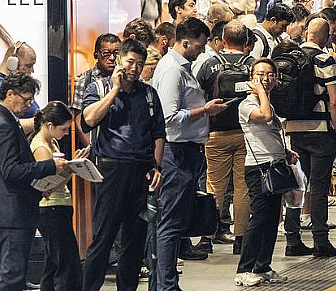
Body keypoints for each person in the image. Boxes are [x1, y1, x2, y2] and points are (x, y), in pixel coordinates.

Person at [81, 39, 164, 291]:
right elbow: (89, 120)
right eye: (130, 62)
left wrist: (157, 167)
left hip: (142, 171)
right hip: (111, 169)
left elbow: (158, 133)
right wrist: (114, 90)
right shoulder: (98, 86)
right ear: (119, 60)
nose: (135, 69)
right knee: (104, 237)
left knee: (135, 238)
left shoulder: (148, 93)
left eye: (140, 64)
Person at [153, 18, 228, 291]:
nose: (203, 49)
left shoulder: (179, 67)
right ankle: (166, 285)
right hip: (177, 153)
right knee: (171, 223)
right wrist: (205, 111)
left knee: (175, 222)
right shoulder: (173, 70)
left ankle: (165, 282)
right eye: (201, 43)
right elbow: (169, 117)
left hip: (185, 152)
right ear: (185, 41)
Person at [283, 18, 336, 257]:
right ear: (327, 36)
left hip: (294, 130)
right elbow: (334, 99)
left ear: (307, 33)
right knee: (319, 186)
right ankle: (321, 241)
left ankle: (293, 239)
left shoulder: (289, 56)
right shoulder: (324, 59)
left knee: (299, 183)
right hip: (320, 130)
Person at [0, 72, 64, 291]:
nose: (29, 106)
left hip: (13, 210)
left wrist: (37, 187)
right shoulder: (6, 123)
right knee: (12, 276)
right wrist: (49, 167)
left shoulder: (9, 121)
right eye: (26, 99)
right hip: (13, 213)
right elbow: (10, 170)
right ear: (10, 94)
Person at [196, 20, 254, 255]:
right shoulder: (252, 65)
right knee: (243, 187)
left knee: (214, 186)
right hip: (246, 132)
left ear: (223, 40)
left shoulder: (209, 64)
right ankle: (240, 238)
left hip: (215, 134)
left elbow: (198, 98)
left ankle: (206, 237)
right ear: (246, 42)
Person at [234, 58, 293, 286]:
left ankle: (263, 266)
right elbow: (266, 117)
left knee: (271, 220)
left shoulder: (268, 101)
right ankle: (244, 269)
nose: (265, 79)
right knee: (258, 218)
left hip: (275, 164)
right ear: (251, 78)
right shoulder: (247, 104)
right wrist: (260, 92)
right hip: (258, 168)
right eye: (260, 74)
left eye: (270, 75)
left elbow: (273, 132)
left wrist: (286, 153)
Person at [31, 102, 86, 291]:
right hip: (51, 207)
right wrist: (71, 169)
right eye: (63, 129)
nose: (65, 134)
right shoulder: (41, 147)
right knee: (67, 264)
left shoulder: (51, 142)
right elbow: (48, 185)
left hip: (58, 206)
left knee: (53, 263)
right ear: (49, 125)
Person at [71, 34, 120, 148]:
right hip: (96, 144)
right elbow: (79, 120)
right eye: (106, 53)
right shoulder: (84, 80)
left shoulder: (126, 78)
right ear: (96, 54)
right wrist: (92, 148)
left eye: (116, 53)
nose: (112, 58)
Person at [0, 42, 39, 133]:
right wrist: (40, 122)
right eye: (29, 66)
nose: (32, 70)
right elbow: (4, 125)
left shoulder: (19, 85)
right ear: (12, 63)